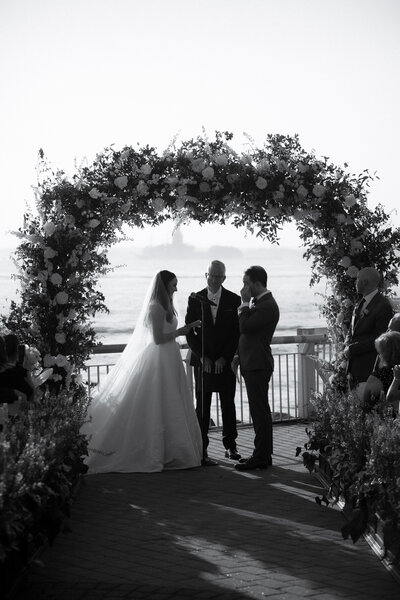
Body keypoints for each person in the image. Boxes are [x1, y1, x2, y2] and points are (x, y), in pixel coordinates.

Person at [84, 270, 203, 473]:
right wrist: (181, 332)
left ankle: (172, 450)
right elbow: (157, 338)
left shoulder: (167, 306)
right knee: (158, 400)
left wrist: (185, 328)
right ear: (164, 286)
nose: (176, 288)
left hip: (170, 357)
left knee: (172, 401)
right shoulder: (155, 307)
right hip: (159, 359)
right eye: (173, 284)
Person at [185, 260, 241, 466]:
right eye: (212, 275)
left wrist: (224, 358)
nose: (215, 279)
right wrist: (202, 357)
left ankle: (230, 446)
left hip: (224, 362)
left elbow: (237, 333)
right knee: (203, 406)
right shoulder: (195, 299)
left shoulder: (234, 300)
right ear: (205, 275)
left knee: (228, 404)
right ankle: (202, 448)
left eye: (219, 276)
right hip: (203, 362)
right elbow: (190, 332)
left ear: (224, 278)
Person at [232, 266, 280, 471]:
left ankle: (261, 456)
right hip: (251, 361)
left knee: (259, 411)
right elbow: (247, 335)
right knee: (258, 410)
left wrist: (243, 304)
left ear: (257, 283)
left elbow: (245, 327)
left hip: (258, 363)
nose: (243, 287)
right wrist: (237, 355)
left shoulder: (267, 305)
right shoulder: (259, 303)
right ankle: (262, 454)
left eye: (246, 283)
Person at [344, 267, 393, 390]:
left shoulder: (383, 305)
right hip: (353, 366)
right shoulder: (360, 302)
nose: (355, 283)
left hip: (368, 366)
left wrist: (353, 349)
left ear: (364, 282)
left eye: (357, 280)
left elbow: (379, 339)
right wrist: (347, 343)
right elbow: (353, 329)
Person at [362, 330, 400, 415]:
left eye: (380, 352)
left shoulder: (377, 377)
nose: (379, 356)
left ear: (385, 354)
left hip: (381, 424)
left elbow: (365, 406)